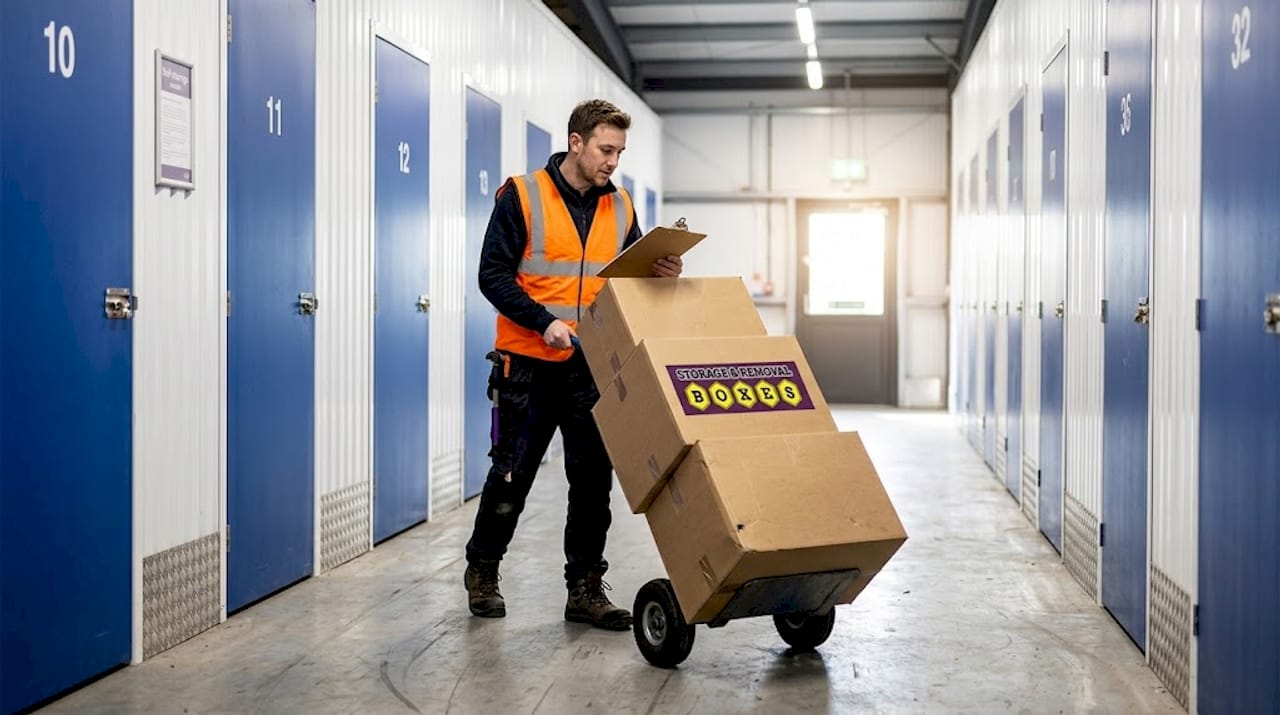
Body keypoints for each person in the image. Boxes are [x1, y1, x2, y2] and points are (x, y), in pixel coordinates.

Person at [463, 99, 683, 630]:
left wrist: (660, 272)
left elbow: (626, 278)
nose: (613, 161)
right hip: (528, 365)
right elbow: (491, 275)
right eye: (606, 149)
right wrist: (543, 322)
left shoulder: (621, 205)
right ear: (577, 143)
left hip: (591, 367)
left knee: (592, 482)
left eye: (620, 152)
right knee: (511, 475)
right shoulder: (522, 195)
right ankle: (483, 571)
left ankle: (584, 589)